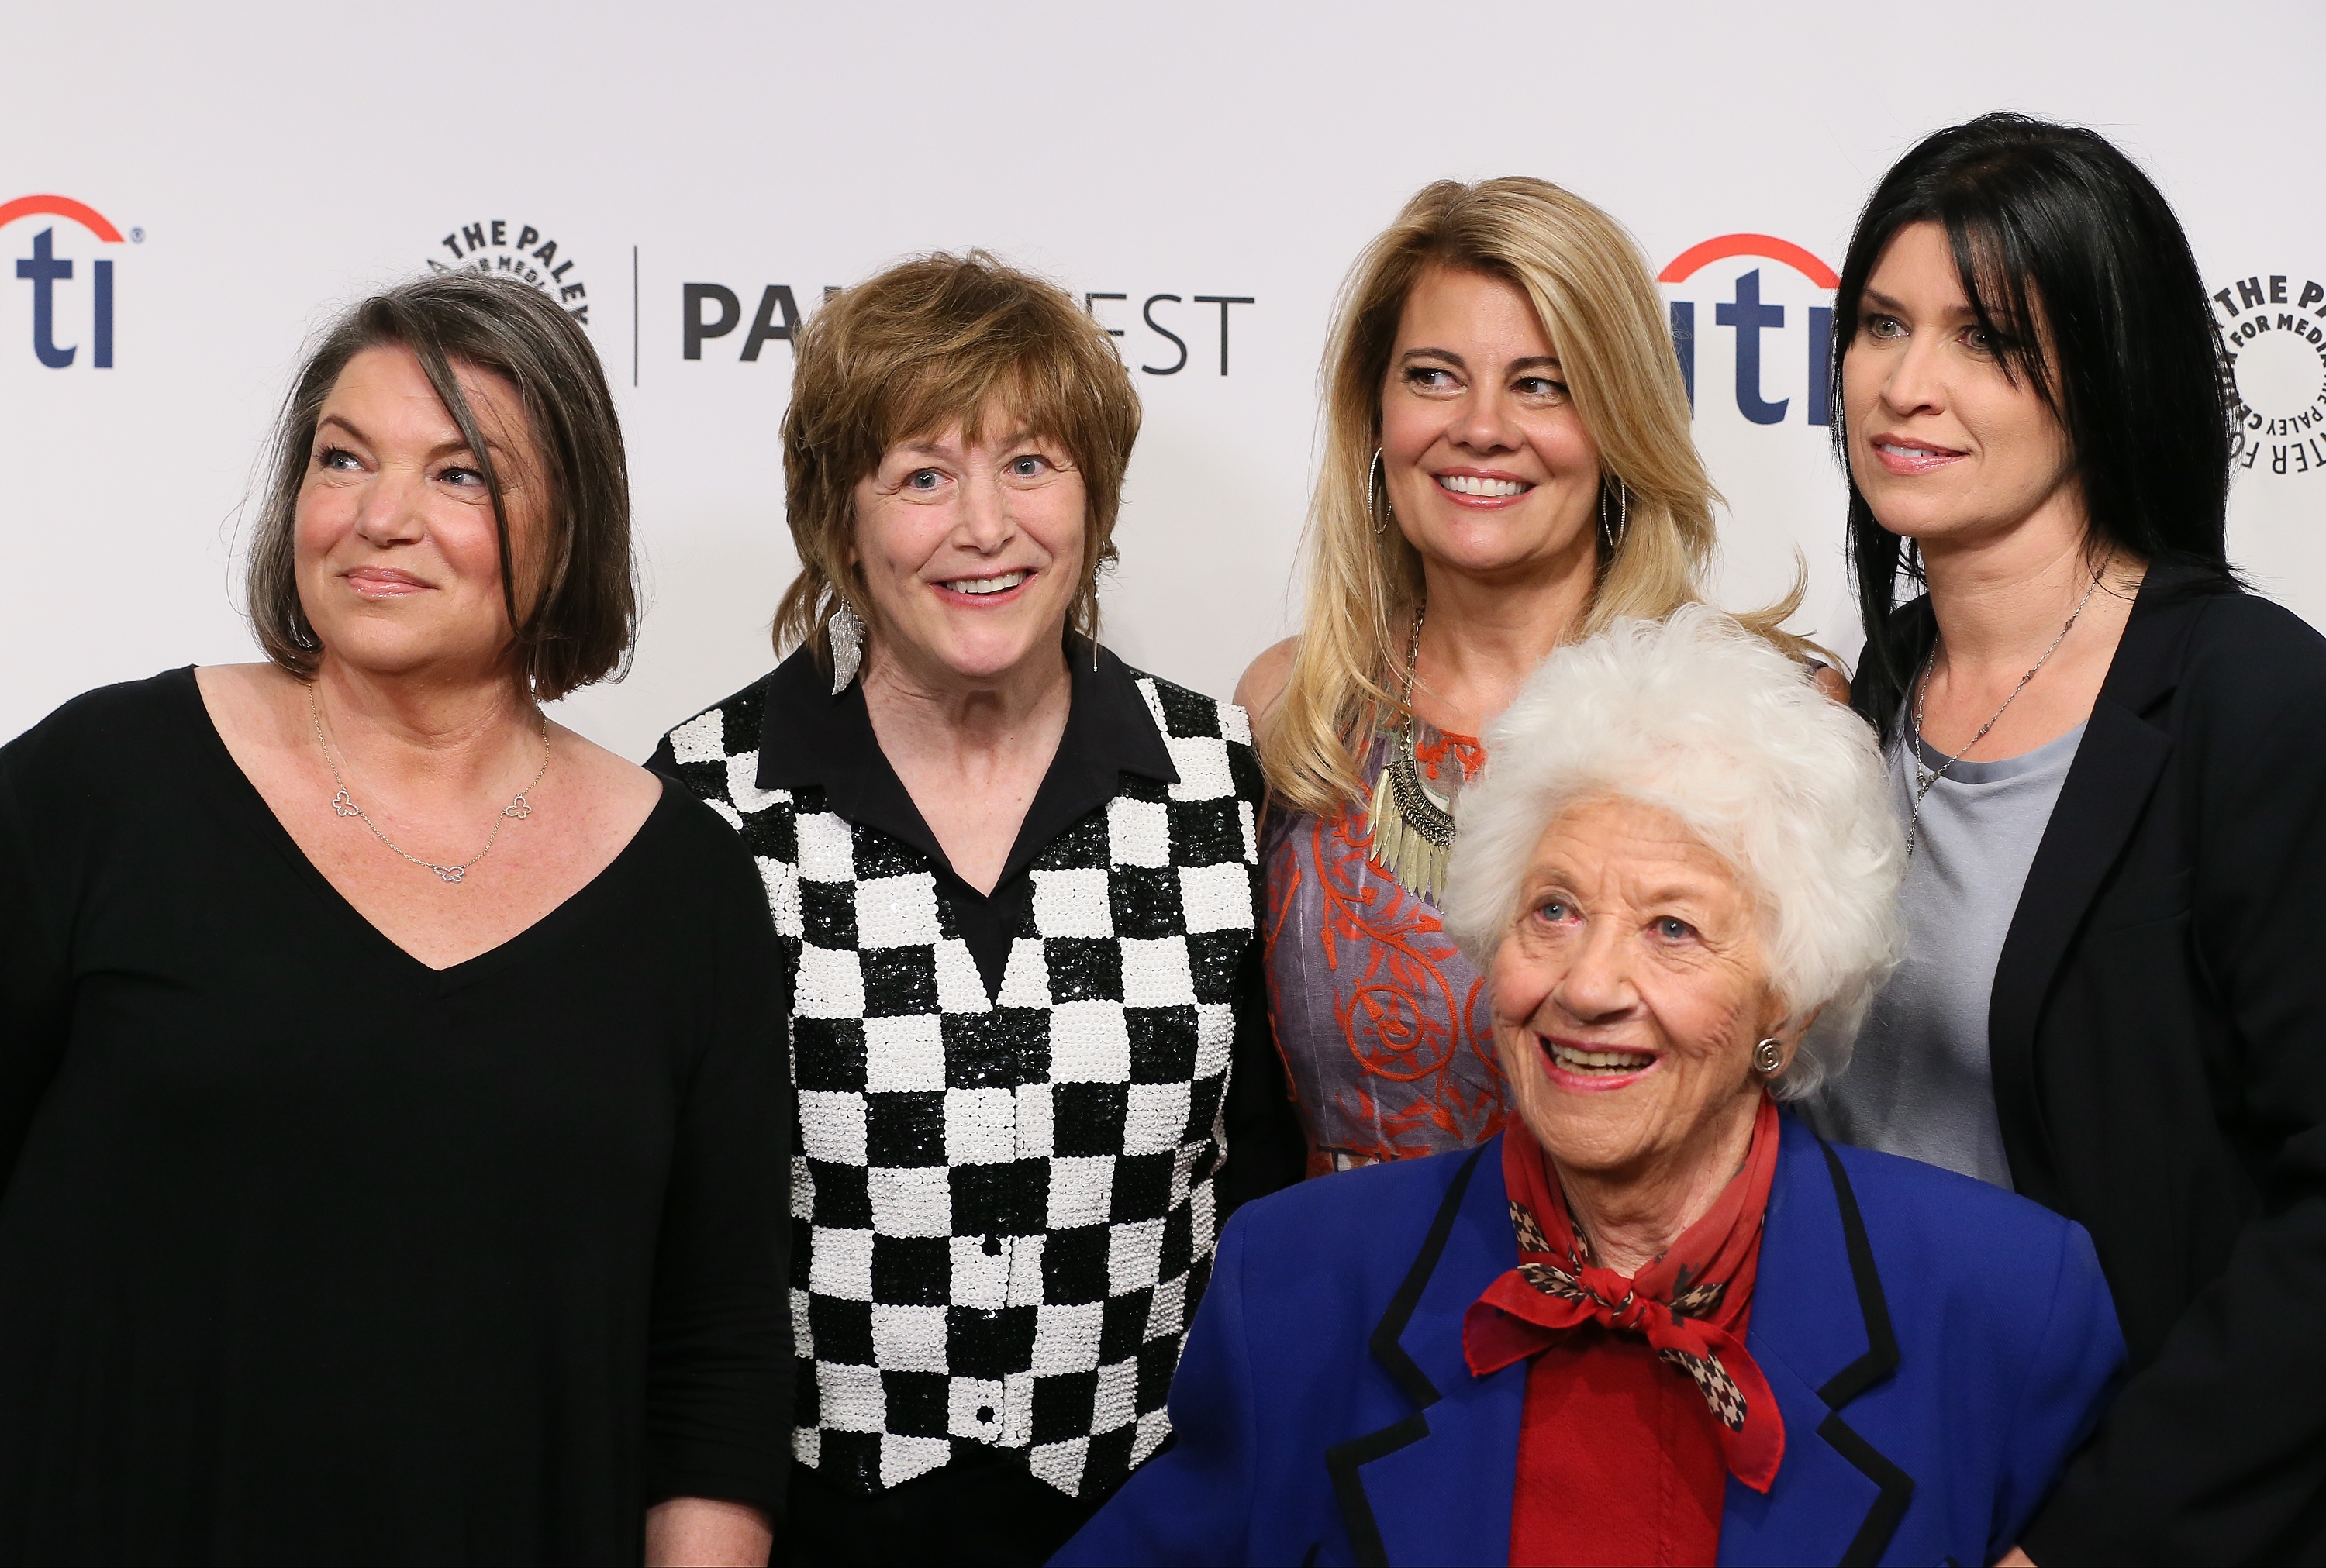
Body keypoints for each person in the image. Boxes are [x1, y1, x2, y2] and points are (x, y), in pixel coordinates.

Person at [1054, 608, 2124, 1568]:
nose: (1589, 985)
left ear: (1786, 1003)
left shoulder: (2005, 1305)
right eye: (1554, 910)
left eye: (1673, 928)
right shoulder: (1298, 1288)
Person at [0, 272, 790, 1565]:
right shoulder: (99, 785)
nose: (379, 518)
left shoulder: (685, 888)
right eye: (343, 458)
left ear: (570, 519)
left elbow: (715, 1371)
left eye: (460, 476)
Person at [648, 250, 1301, 1567]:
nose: (984, 526)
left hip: (1153, 1523)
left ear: (1095, 498)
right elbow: (669, 1248)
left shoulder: (1219, 780)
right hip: (815, 1531)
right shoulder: (711, 801)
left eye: (1030, 464)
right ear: (841, 519)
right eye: (923, 475)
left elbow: (1269, 1187)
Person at [1807, 112, 2326, 1564]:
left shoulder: (2251, 700)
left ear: (2106, 372)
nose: (1908, 387)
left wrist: (2097, 1538)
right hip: (1866, 1465)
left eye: (1985, 339)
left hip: (2114, 1497)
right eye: (1881, 326)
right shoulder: (1881, 686)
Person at [1236, 177, 1834, 1176]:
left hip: (1650, 1318)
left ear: (1619, 420)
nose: (1481, 427)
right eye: (1432, 376)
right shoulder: (1293, 708)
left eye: (1541, 383)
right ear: (1373, 413)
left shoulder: (1766, 713)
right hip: (1344, 1306)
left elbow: (1798, 1071)